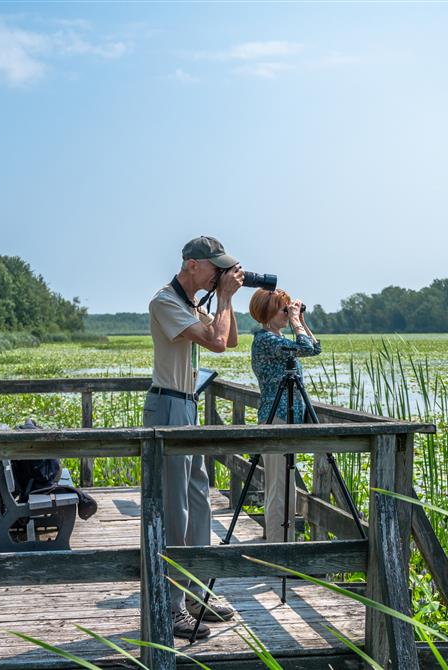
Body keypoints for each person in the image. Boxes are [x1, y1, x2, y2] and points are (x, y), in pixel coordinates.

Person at [145, 235, 243, 640]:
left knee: (200, 501)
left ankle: (197, 595)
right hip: (168, 406)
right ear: (191, 264)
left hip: (187, 406)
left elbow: (231, 339)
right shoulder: (165, 301)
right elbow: (218, 343)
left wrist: (227, 299)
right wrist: (221, 299)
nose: (218, 273)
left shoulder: (190, 305)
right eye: (213, 267)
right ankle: (170, 608)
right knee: (176, 510)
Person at [248, 288, 322, 543]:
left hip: (287, 416)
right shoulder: (266, 340)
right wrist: (295, 323)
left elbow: (313, 349)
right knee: (279, 487)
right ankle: (279, 548)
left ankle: (282, 541)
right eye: (284, 309)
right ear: (269, 311)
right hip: (277, 416)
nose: (289, 313)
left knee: (284, 484)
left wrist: (300, 322)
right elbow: (303, 347)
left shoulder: (276, 339)